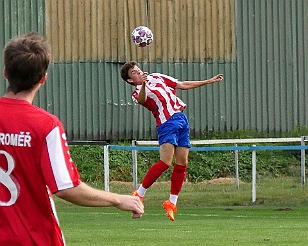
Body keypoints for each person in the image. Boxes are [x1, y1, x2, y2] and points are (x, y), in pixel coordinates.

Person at [0, 32, 144, 246]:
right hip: (34, 238)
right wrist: (118, 199)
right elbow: (66, 188)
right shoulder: (45, 125)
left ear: (5, 73)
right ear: (43, 78)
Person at [120, 61, 223, 221]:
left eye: (138, 69)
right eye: (134, 72)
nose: (139, 72)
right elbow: (142, 100)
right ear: (130, 81)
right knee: (165, 162)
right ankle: (139, 194)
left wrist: (208, 81)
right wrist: (144, 84)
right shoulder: (137, 92)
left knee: (182, 163)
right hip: (166, 122)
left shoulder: (156, 77)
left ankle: (171, 203)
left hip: (181, 118)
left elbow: (181, 84)